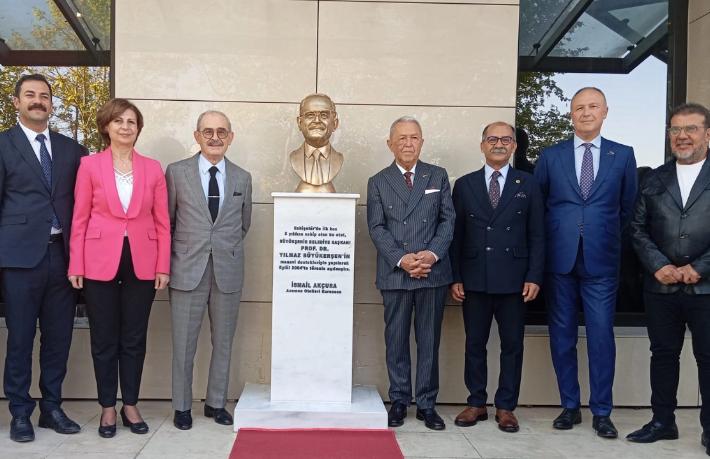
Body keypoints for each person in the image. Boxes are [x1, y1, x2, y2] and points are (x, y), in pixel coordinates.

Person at [534, 87, 637, 438]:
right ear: (571, 114)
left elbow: (627, 208)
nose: (586, 112)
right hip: (560, 260)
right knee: (561, 337)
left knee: (600, 337)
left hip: (602, 261)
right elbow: (541, 204)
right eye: (579, 107)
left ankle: (602, 411)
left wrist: (599, 233)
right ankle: (570, 406)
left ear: (605, 111)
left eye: (593, 106)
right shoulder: (550, 156)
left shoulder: (622, 156)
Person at [68, 98, 171, 438]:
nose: (126, 126)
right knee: (103, 338)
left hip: (142, 260)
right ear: (106, 127)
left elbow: (162, 222)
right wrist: (76, 262)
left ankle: (130, 403)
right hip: (98, 261)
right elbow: (79, 218)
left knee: (134, 337)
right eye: (119, 121)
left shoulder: (153, 168)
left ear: (138, 129)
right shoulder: (89, 166)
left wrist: (163, 265)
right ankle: (108, 408)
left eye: (132, 121)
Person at [0, 74, 86, 442]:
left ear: (53, 104)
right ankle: (20, 411)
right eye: (30, 95)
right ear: (16, 101)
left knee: (58, 337)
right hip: (19, 259)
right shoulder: (3, 145)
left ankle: (52, 406)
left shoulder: (73, 151)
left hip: (62, 257)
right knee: (19, 337)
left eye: (45, 96)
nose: (38, 101)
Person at [449, 121, 544, 433]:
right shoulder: (464, 185)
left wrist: (534, 276)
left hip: (515, 281)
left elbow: (538, 235)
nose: (499, 144)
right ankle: (476, 402)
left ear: (514, 146)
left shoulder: (528, 184)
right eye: (492, 139)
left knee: (512, 345)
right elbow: (456, 236)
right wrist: (456, 276)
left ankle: (506, 407)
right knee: (474, 343)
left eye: (506, 139)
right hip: (474, 278)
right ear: (482, 145)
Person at [627, 103, 710, 455]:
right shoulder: (654, 178)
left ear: (708, 134)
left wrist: (701, 267)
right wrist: (658, 264)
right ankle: (663, 422)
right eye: (675, 130)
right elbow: (636, 228)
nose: (682, 136)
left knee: (708, 358)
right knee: (662, 355)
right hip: (660, 286)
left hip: (706, 287)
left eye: (690, 129)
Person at [366, 116, 454, 430]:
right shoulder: (378, 181)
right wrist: (403, 259)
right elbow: (376, 227)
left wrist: (429, 255)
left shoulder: (438, 175)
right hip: (396, 272)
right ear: (390, 143)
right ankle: (400, 400)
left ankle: (427, 404)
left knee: (429, 341)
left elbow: (447, 221)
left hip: (432, 272)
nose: (407, 143)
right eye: (401, 138)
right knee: (396, 339)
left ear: (422, 142)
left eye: (414, 137)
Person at [166, 110, 252, 430]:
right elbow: (168, 222)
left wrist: (220, 248)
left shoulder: (243, 177)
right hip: (187, 270)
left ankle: (216, 403)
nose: (214, 137)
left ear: (230, 137)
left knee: (224, 341)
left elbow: (243, 225)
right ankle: (182, 406)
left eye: (221, 131)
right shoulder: (176, 173)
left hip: (227, 271)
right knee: (183, 344)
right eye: (207, 131)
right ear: (197, 135)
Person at [289, 93, 344, 192]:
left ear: (335, 123)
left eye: (324, 115)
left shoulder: (339, 159)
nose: (317, 121)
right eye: (310, 115)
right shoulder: (293, 158)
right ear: (299, 123)